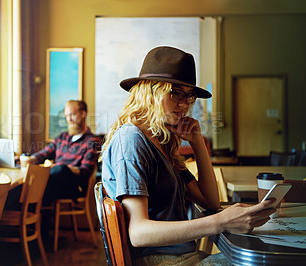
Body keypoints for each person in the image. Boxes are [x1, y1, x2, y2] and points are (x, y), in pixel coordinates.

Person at [100, 46, 276, 265]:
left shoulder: (162, 141)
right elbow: (138, 233)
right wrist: (221, 222)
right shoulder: (131, 139)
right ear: (150, 91)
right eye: (175, 92)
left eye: (189, 96)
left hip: (182, 257)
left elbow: (209, 200)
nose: (184, 104)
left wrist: (197, 143)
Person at [29, 100, 100, 206]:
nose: (69, 119)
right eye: (67, 116)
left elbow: (85, 171)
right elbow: (44, 153)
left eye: (72, 115)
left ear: (83, 113)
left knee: (60, 170)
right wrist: (29, 159)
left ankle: (32, 209)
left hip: (75, 187)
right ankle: (32, 210)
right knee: (31, 181)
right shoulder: (62, 137)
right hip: (54, 182)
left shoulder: (93, 141)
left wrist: (60, 167)